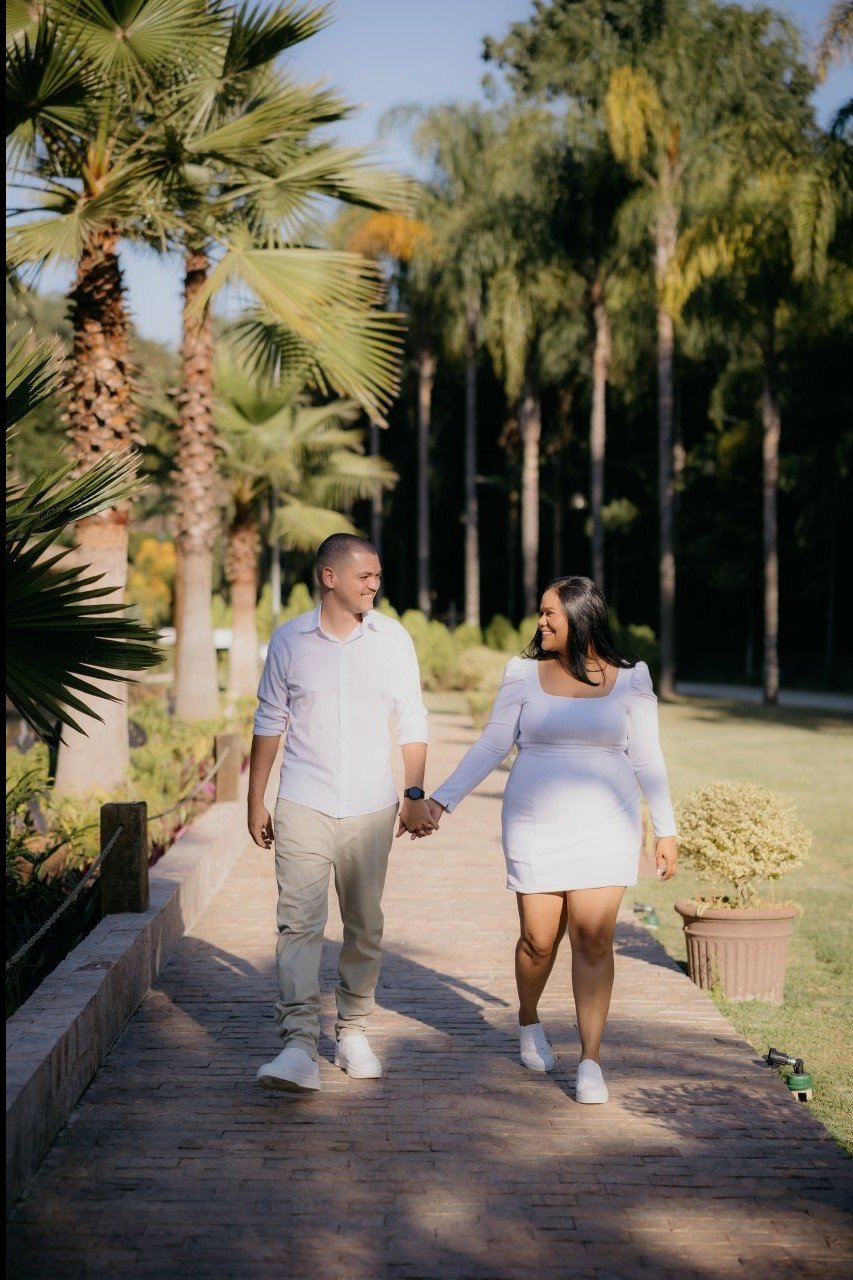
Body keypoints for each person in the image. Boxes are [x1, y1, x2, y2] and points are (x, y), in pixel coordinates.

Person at [422, 576, 678, 1104]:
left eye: (549, 613)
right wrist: (441, 800)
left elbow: (648, 758)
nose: (540, 622)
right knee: (538, 940)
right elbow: (493, 744)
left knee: (593, 939)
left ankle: (590, 1061)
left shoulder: (632, 679)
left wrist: (666, 828)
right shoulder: (522, 674)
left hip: (608, 822)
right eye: (540, 612)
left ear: (581, 617)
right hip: (535, 821)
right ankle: (528, 1018)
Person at [248, 533, 435, 1093]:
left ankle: (353, 1031)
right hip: (303, 800)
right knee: (298, 926)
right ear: (329, 577)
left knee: (364, 924)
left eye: (377, 575)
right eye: (365, 576)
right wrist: (256, 798)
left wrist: (414, 792)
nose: (375, 584)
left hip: (371, 807)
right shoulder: (289, 641)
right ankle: (298, 1045)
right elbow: (269, 720)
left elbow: (413, 719)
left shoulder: (393, 639)